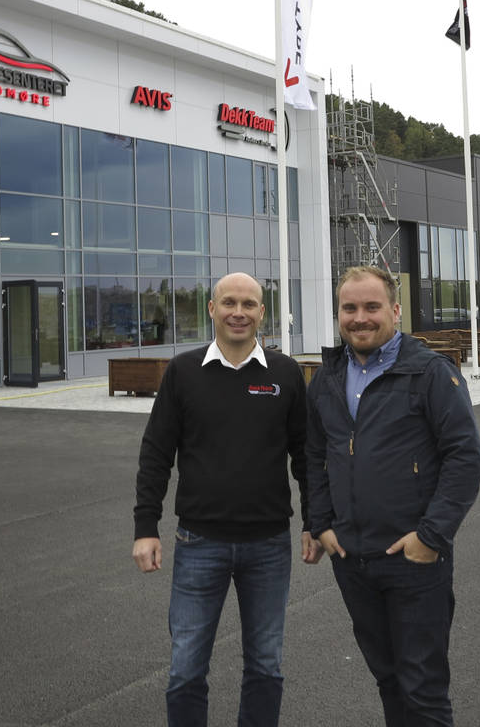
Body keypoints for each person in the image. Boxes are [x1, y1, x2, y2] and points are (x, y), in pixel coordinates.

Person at [133, 271, 322, 726]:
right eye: (229, 302)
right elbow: (156, 454)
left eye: (249, 304)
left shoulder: (285, 373)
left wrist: (314, 521)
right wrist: (145, 529)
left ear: (262, 312)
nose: (239, 312)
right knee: (185, 669)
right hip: (200, 543)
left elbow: (307, 455)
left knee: (264, 666)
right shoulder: (182, 372)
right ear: (213, 309)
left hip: (269, 546)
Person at [306, 265, 480, 726]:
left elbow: (466, 458)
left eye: (372, 307)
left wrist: (431, 537)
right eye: (350, 308)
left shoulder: (428, 372)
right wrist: (320, 522)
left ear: (395, 310)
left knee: (422, 689)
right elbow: (315, 453)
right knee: (387, 679)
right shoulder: (327, 377)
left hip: (413, 560)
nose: (360, 318)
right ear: (339, 314)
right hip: (353, 559)